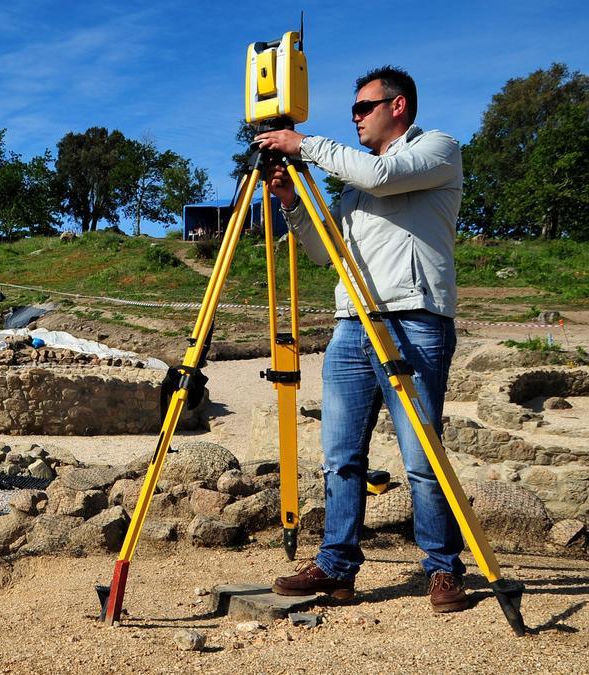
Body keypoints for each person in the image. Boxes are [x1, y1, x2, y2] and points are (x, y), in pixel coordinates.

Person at [253, 66, 468, 613]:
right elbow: (326, 253)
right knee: (340, 457)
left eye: (362, 107)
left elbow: (381, 177)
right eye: (353, 108)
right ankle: (336, 566)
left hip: (414, 318)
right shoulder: (355, 183)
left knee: (422, 457)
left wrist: (304, 144)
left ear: (398, 106)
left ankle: (444, 569)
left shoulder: (437, 149)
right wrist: (293, 205)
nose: (353, 116)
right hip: (354, 325)